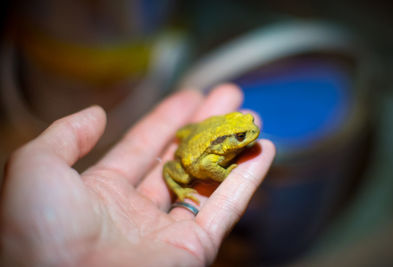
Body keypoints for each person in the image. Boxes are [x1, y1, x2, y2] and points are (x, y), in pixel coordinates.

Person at [0, 84, 275, 266]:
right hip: (191, 157)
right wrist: (225, 172)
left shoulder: (227, 134)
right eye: (242, 136)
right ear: (227, 140)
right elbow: (204, 167)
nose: (251, 135)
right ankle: (179, 189)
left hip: (204, 133)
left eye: (248, 129)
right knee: (177, 170)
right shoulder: (214, 155)